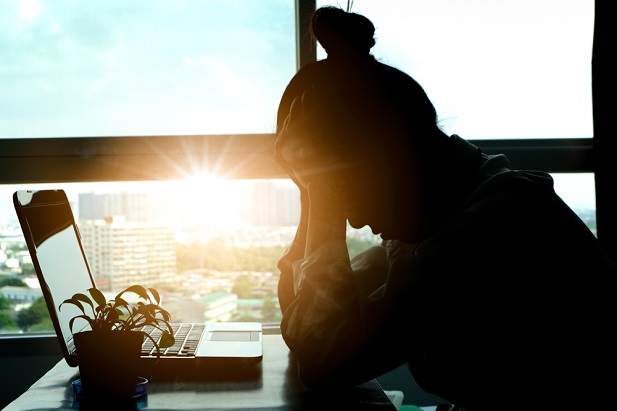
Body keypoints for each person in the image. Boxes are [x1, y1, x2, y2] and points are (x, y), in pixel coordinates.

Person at [273, 5, 617, 410]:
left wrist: (322, 195)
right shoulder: (438, 219)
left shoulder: (494, 225)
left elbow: (322, 360)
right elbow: (306, 327)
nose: (356, 220)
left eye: (343, 192)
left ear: (389, 160)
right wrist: (316, 190)